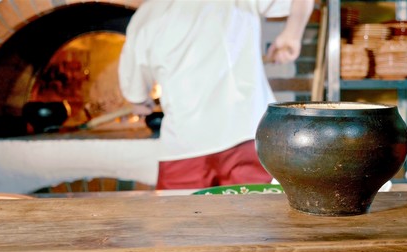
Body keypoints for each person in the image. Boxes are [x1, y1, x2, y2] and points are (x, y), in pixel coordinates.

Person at [118, 0, 315, 190]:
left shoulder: (147, 14)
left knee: (180, 222)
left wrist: (142, 103)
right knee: (256, 220)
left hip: (185, 146)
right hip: (248, 135)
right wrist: (292, 35)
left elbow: (135, 95)